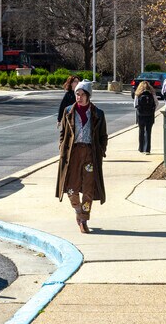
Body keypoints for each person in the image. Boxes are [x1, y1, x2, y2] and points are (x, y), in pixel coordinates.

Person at [56, 81, 108, 233]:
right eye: (77, 94)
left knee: (88, 188)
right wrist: (61, 147)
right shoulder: (68, 112)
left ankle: (84, 218)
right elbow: (63, 133)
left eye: (82, 94)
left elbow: (103, 136)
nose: (79, 97)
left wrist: (101, 150)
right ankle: (78, 210)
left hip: (90, 154)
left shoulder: (98, 114)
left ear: (88, 96)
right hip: (73, 154)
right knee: (71, 187)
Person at [134, 81, 158, 154]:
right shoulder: (152, 94)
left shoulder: (138, 94)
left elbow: (135, 104)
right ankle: (147, 149)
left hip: (141, 115)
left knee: (141, 131)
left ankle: (141, 148)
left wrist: (139, 110)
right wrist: (152, 110)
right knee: (148, 131)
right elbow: (156, 103)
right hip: (150, 115)